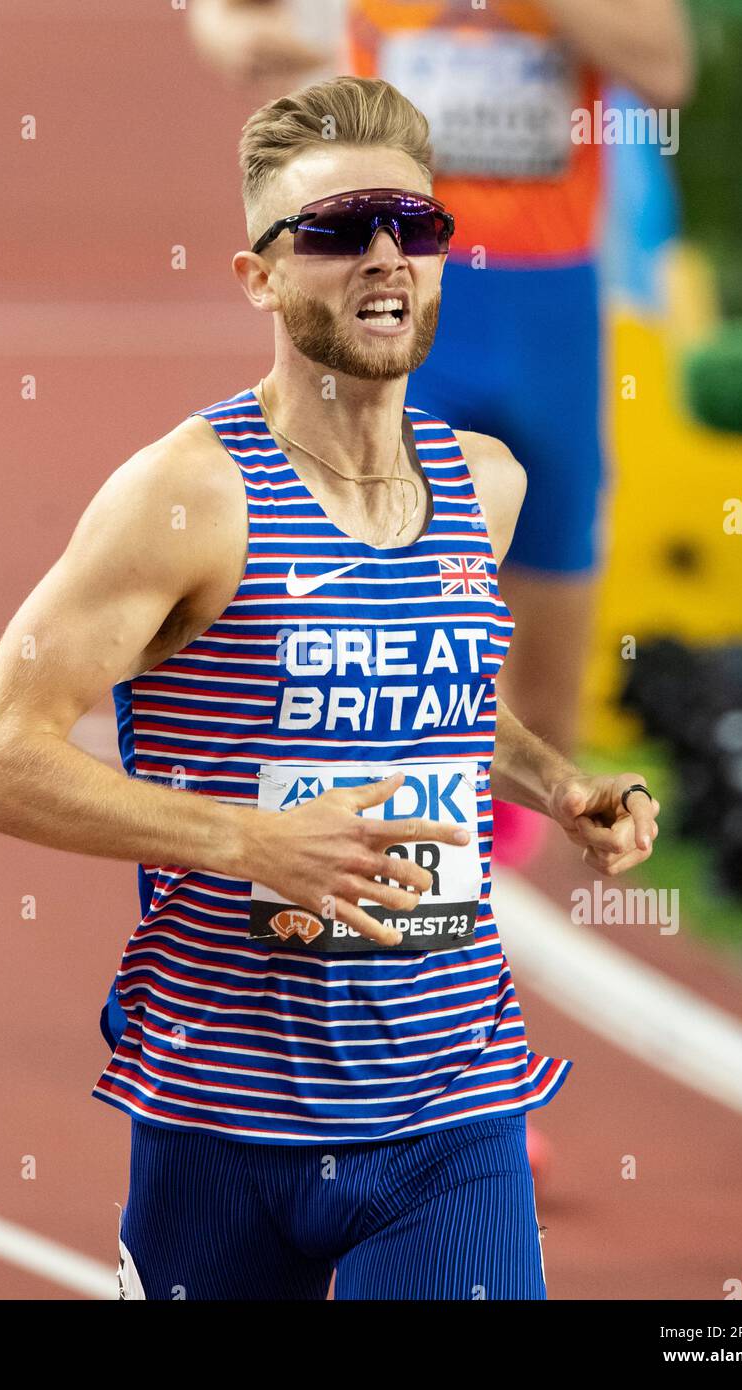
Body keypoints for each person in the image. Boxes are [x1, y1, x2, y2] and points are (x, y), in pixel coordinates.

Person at [0, 75, 660, 1301]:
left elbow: (429, 694)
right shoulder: (185, 501)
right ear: (258, 277)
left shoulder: (484, 486)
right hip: (214, 1113)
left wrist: (555, 778)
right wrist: (248, 838)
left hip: (451, 1107)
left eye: (413, 228)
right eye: (333, 233)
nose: (384, 256)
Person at [189, 0, 693, 847]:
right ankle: (373, 870)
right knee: (385, 599)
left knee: (547, 657)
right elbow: (227, 18)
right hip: (406, 286)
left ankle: (489, 888)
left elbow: (668, 70)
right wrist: (241, 40)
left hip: (551, 307)